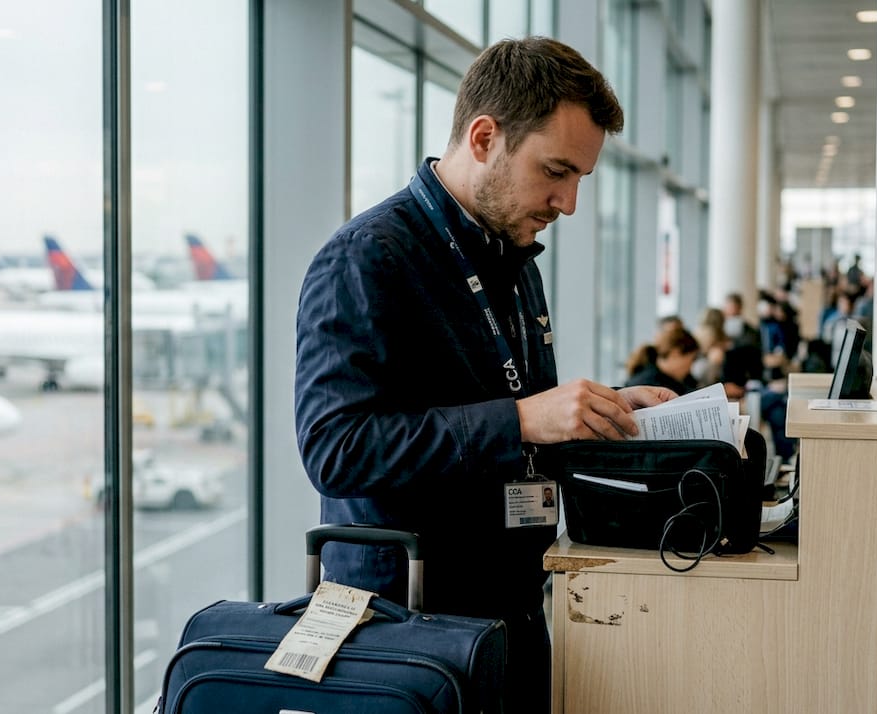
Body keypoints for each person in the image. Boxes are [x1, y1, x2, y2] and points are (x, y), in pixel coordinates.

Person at [293, 37, 675, 712]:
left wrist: (599, 414)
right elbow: (336, 449)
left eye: (581, 179)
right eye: (556, 171)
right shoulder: (367, 258)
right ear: (483, 137)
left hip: (514, 613)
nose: (568, 202)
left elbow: (512, 420)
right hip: (407, 635)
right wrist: (522, 419)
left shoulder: (514, 257)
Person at [624, 326, 700, 396]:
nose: (690, 368)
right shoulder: (651, 384)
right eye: (692, 359)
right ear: (675, 353)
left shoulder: (665, 378)